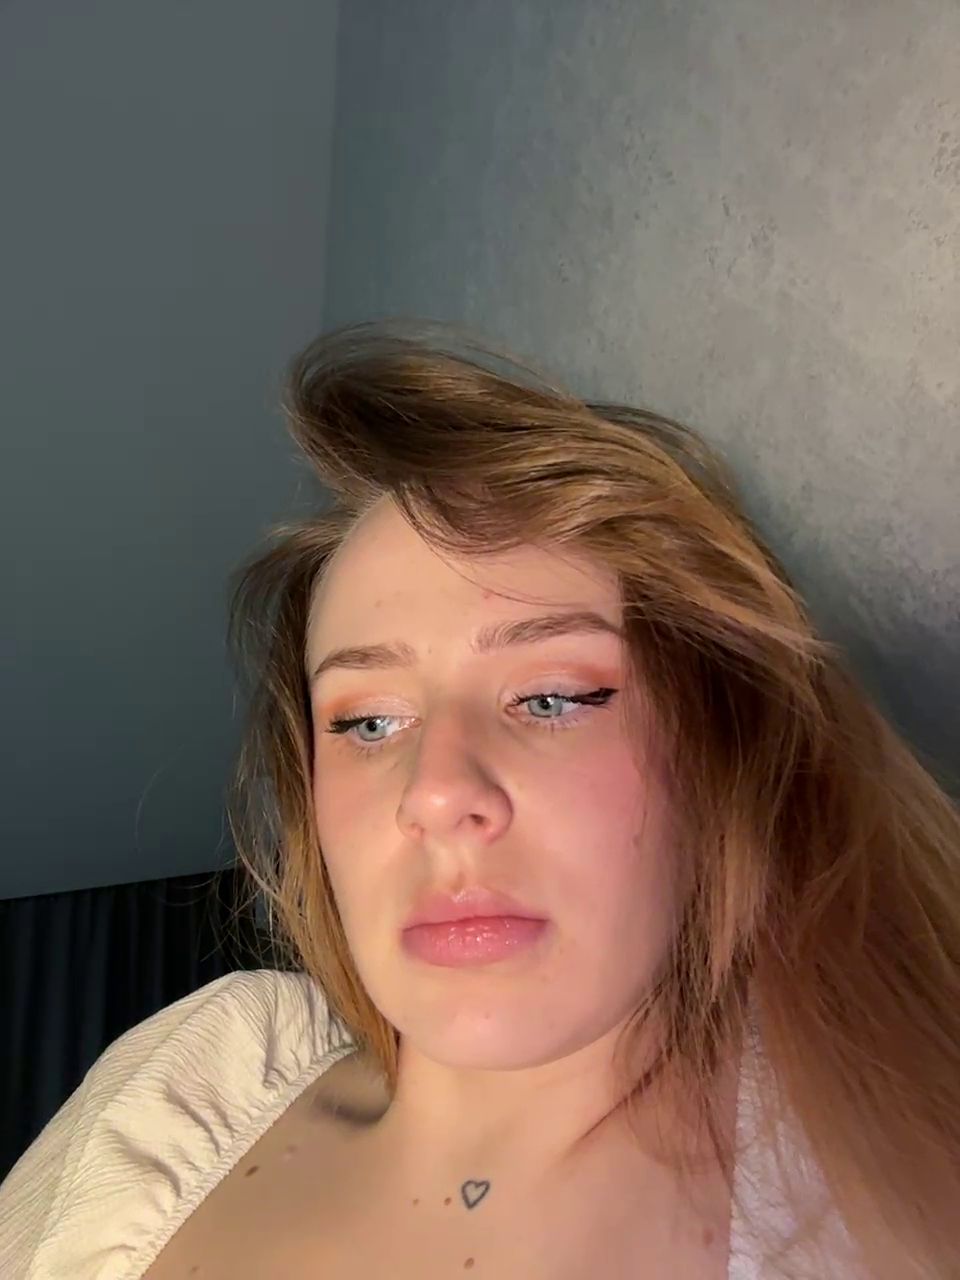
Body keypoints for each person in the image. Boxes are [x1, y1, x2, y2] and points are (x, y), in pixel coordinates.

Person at [1, 319, 957, 1279]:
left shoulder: (895, 1213)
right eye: (369, 721)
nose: (436, 793)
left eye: (552, 698)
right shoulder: (180, 1095)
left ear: (726, 755)